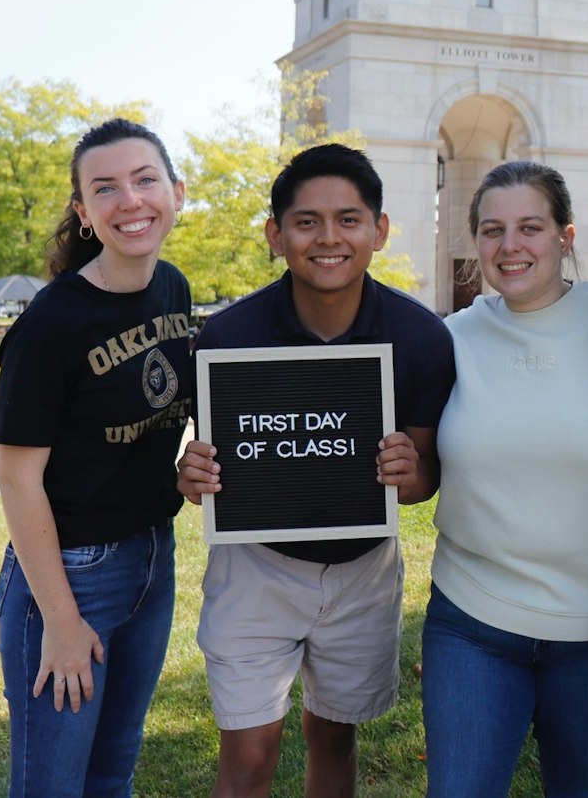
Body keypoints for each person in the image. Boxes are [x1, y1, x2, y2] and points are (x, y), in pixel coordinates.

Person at [175, 143, 455, 798]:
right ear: (276, 235)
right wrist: (192, 479)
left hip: (363, 566)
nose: (328, 238)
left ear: (380, 230)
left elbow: (424, 476)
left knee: (334, 734)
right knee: (247, 751)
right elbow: (212, 469)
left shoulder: (420, 338)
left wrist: (407, 472)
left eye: (349, 219)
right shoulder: (226, 339)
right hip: (256, 567)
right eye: (306, 221)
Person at [417, 160, 588, 797]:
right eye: (492, 230)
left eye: (530, 228)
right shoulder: (448, 340)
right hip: (472, 622)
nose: (509, 246)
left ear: (565, 238)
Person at [0, 118, 193, 797]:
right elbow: (17, 479)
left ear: (176, 192)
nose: (129, 200)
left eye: (145, 180)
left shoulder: (174, 289)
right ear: (83, 212)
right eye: (105, 188)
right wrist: (62, 621)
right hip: (71, 576)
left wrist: (187, 469)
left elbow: (159, 419)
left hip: (152, 559)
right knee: (52, 785)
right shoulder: (51, 325)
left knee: (112, 771)